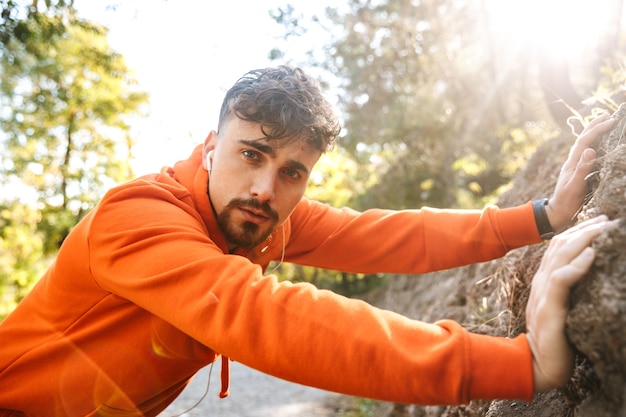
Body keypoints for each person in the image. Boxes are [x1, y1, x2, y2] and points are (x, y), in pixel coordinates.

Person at [0, 65, 618, 416]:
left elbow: (392, 236)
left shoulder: (261, 218)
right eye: (251, 154)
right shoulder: (138, 217)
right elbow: (268, 318)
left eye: (293, 171)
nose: (266, 189)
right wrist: (522, 362)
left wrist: (541, 216)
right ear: (211, 149)